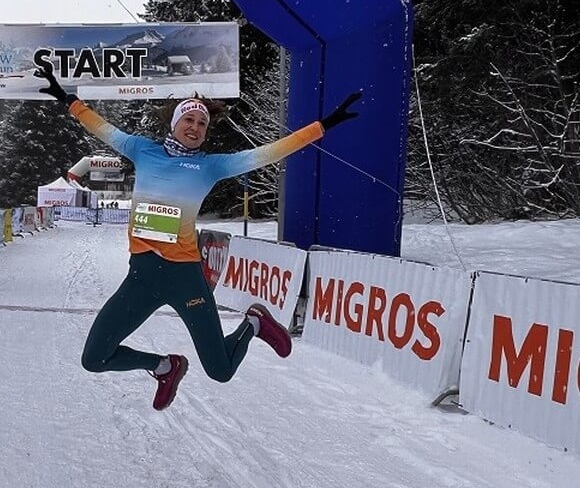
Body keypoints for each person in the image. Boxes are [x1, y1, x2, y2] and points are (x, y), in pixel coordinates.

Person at [37, 68, 361, 410]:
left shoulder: (211, 166)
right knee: (94, 358)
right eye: (189, 119)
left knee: (220, 370)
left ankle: (254, 323)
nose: (195, 127)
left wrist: (322, 126)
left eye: (202, 124)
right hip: (141, 278)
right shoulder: (142, 149)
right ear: (174, 123)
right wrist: (68, 100)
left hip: (185, 278)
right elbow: (102, 128)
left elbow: (269, 153)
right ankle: (165, 367)